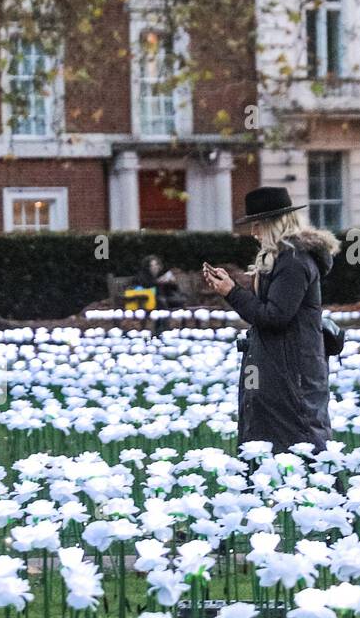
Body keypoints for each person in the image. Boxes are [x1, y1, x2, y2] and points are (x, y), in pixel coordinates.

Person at [200, 186, 339, 453]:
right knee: (260, 434)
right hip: (268, 366)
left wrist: (232, 292)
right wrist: (233, 286)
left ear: (275, 224)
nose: (253, 232)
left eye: (258, 224)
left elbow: (274, 316)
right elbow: (269, 305)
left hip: (290, 371)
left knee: (300, 444)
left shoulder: (294, 261)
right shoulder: (282, 259)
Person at [134, 254, 187, 331]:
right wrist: (158, 282)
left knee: (180, 300)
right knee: (161, 301)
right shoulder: (143, 275)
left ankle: (183, 328)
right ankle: (165, 328)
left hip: (164, 297)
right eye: (152, 265)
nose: (155, 267)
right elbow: (146, 287)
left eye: (156, 265)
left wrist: (172, 283)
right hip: (148, 300)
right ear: (147, 267)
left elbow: (172, 289)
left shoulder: (161, 274)